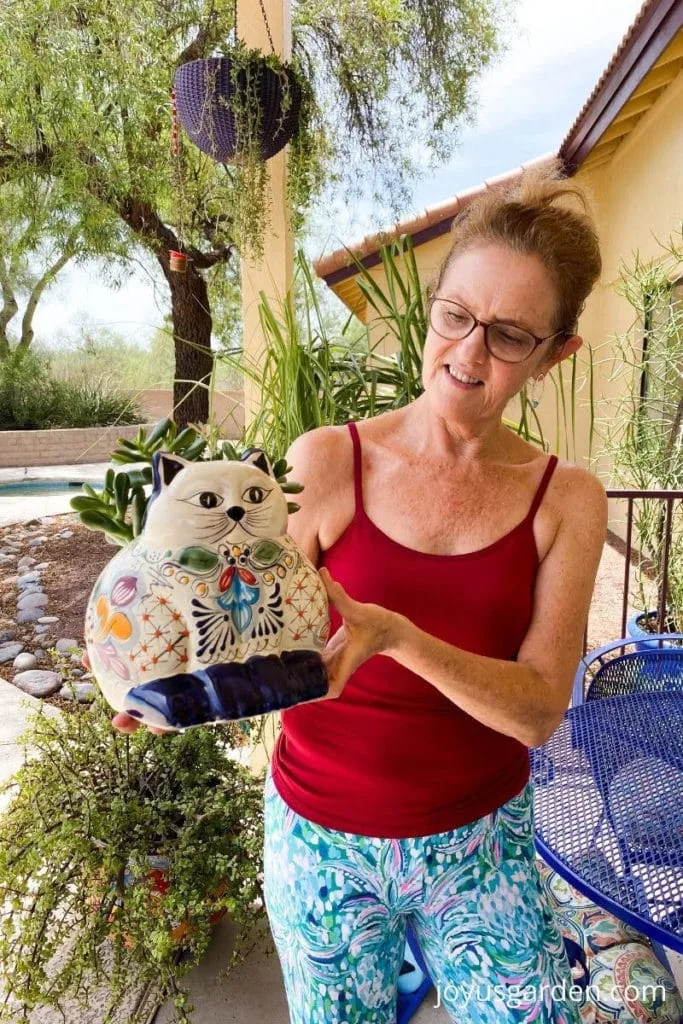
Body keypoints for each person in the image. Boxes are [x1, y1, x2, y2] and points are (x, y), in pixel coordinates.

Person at [106, 161, 607, 1023]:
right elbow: (255, 628)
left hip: (481, 843)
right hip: (320, 841)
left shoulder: (567, 499)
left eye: (508, 335)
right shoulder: (326, 461)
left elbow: (535, 710)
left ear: (554, 354)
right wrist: (175, 682)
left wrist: (399, 636)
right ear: (432, 307)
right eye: (454, 315)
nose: (467, 353)